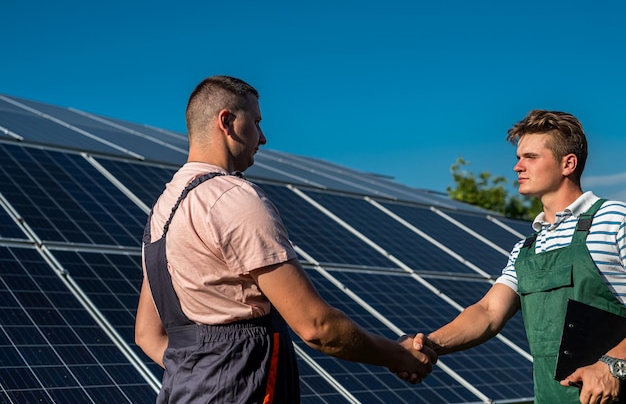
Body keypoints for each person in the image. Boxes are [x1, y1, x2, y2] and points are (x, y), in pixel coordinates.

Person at [135, 75, 436, 403]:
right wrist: (399, 355)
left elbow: (147, 335)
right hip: (243, 390)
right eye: (257, 122)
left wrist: (199, 372)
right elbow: (317, 327)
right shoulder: (232, 198)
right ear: (227, 121)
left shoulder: (163, 211)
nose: (263, 138)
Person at [409, 110, 626, 403]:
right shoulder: (526, 248)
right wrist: (430, 344)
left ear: (568, 164)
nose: (517, 167)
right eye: (518, 157)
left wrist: (614, 365)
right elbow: (487, 313)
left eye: (530, 157)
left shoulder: (614, 219)